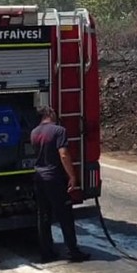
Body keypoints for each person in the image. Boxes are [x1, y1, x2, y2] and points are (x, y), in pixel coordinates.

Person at [30, 106, 90, 262]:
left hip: (38, 177)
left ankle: (46, 252)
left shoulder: (34, 132)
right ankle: (72, 251)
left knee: (43, 216)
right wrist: (72, 175)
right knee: (65, 216)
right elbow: (63, 154)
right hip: (54, 178)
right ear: (50, 114)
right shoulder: (59, 131)